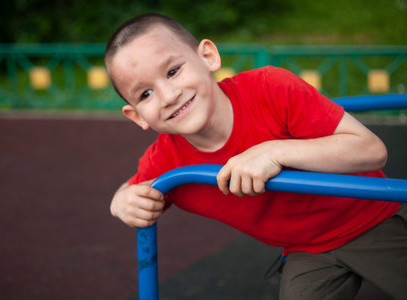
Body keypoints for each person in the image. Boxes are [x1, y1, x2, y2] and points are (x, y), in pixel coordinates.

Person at [104, 13, 406, 300]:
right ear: (136, 116)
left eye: (173, 71)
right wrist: (121, 202)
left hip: (373, 218)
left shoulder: (270, 89)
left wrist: (274, 151)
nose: (169, 96)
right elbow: (136, 190)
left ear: (208, 56)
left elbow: (371, 150)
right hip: (306, 250)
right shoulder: (166, 160)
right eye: (145, 94)